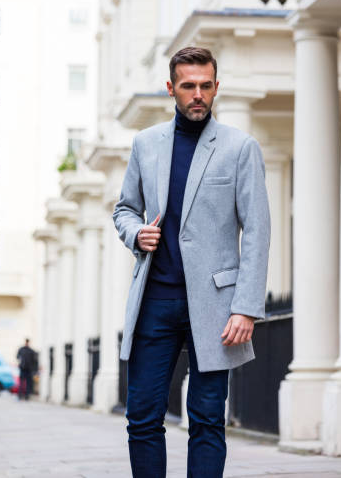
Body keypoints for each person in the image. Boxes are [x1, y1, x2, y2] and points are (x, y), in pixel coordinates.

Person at [113, 46, 271, 478]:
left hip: (217, 307)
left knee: (205, 420)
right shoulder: (146, 144)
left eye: (206, 86)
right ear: (171, 89)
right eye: (188, 86)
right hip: (155, 301)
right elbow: (124, 208)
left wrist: (246, 307)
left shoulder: (241, 147)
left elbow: (257, 229)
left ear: (216, 87)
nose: (198, 94)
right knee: (142, 418)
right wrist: (135, 233)